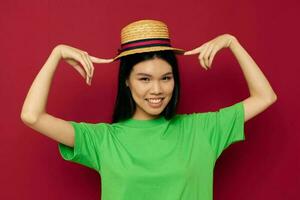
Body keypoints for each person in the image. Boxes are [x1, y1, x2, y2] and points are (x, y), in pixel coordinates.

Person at [21, 19, 277, 200]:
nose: (157, 89)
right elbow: (32, 116)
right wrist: (56, 55)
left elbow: (265, 97)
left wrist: (233, 43)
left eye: (166, 78)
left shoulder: (202, 130)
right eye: (144, 79)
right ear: (127, 82)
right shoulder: (103, 140)